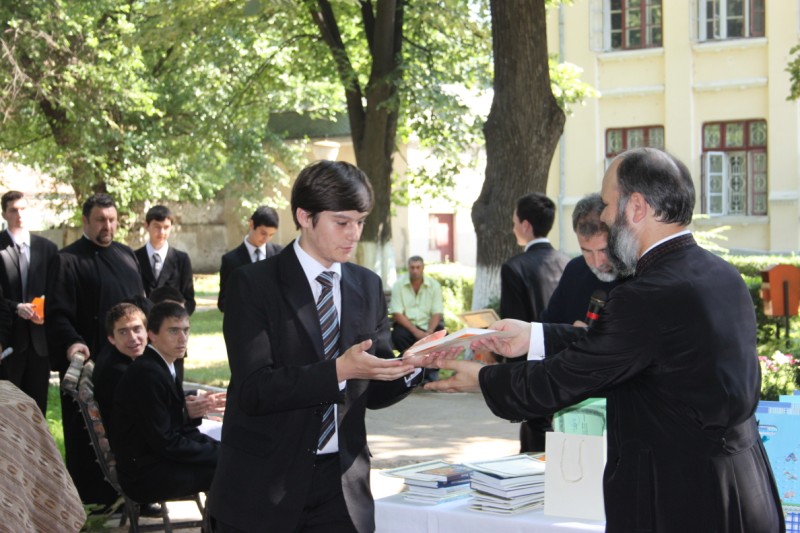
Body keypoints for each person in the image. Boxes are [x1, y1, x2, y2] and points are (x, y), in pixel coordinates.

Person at [426, 147, 784, 532]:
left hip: (681, 497)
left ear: (637, 207)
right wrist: (534, 335)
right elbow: (630, 350)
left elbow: (568, 376)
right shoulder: (721, 274)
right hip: (744, 486)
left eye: (609, 204)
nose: (606, 218)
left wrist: (482, 379)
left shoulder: (646, 295)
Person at [208, 160, 432, 533]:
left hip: (342, 488)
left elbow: (372, 391)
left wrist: (416, 365)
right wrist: (339, 370)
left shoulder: (367, 285)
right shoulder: (253, 284)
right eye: (342, 222)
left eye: (360, 222)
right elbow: (254, 390)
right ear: (305, 217)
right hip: (264, 488)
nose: (354, 234)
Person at [45, 192, 145, 506]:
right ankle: (93, 501)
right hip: (92, 364)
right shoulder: (66, 260)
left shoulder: (126, 255)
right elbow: (57, 314)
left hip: (130, 364)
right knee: (88, 438)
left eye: (112, 219)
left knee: (134, 428)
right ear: (85, 221)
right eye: (101, 220)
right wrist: (72, 341)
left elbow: (141, 304)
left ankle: (140, 491)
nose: (108, 226)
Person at [110, 301, 219, 504]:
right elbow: (166, 442)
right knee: (234, 469)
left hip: (157, 461)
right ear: (152, 334)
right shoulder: (147, 374)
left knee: (234, 459)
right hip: (145, 476)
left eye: (186, 330)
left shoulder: (162, 365)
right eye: (173, 331)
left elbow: (178, 429)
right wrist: (220, 453)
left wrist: (219, 448)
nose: (182, 338)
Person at [499, 192, 568, 453]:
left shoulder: (514, 267)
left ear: (526, 225)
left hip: (532, 369)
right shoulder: (568, 263)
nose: (513, 227)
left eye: (514, 222)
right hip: (567, 363)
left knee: (534, 448)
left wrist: (510, 381)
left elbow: (513, 324)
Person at [0, 191, 53, 414]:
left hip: (39, 340)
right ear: (4, 214)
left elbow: (55, 290)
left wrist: (46, 310)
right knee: (8, 408)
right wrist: (16, 307)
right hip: (8, 339)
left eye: (23, 209)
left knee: (37, 407)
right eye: (13, 210)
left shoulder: (47, 248)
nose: (19, 214)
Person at [541, 193, 621, 325]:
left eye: (603, 250)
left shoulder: (640, 274)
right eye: (586, 251)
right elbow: (549, 324)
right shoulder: (575, 270)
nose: (597, 263)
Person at [217, 205, 282, 312]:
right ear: (251, 224)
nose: (266, 239)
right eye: (263, 233)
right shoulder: (230, 260)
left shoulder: (280, 255)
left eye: (271, 235)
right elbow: (223, 302)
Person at [389, 255, 444, 381]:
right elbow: (397, 313)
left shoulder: (434, 285)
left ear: (423, 268)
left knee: (442, 337)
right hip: (408, 327)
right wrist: (416, 332)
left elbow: (437, 312)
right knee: (398, 336)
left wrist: (429, 333)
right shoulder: (398, 285)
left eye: (418, 267)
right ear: (408, 268)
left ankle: (429, 373)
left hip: (428, 326)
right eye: (412, 267)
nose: (415, 270)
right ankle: (411, 371)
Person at [135, 205, 196, 315]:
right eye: (157, 227)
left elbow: (189, 300)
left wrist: (177, 317)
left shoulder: (181, 260)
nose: (162, 232)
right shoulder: (134, 258)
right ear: (146, 225)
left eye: (166, 227)